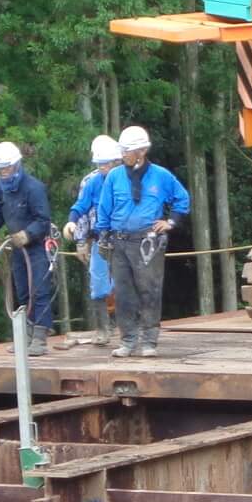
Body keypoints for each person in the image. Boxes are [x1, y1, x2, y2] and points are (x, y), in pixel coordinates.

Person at [94, 125, 191, 358]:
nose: (123, 155)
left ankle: (149, 340)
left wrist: (171, 222)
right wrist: (103, 235)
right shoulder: (115, 177)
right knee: (123, 292)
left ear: (141, 151)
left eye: (127, 151)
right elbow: (104, 207)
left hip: (148, 242)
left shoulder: (161, 175)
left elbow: (182, 199)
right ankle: (128, 340)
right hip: (120, 241)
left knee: (149, 290)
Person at [0, 141, 54, 355]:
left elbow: (44, 220)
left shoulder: (34, 188)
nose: (3, 172)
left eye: (6, 167)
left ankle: (40, 339)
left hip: (38, 248)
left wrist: (27, 234)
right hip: (16, 248)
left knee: (39, 291)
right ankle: (25, 336)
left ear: (16, 165)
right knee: (22, 291)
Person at [63, 135, 121, 346]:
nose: (103, 168)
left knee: (125, 282)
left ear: (117, 161)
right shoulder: (92, 182)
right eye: (100, 164)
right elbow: (81, 207)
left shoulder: (127, 180)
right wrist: (77, 232)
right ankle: (103, 329)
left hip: (125, 240)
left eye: (106, 163)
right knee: (98, 285)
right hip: (100, 239)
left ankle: (127, 327)